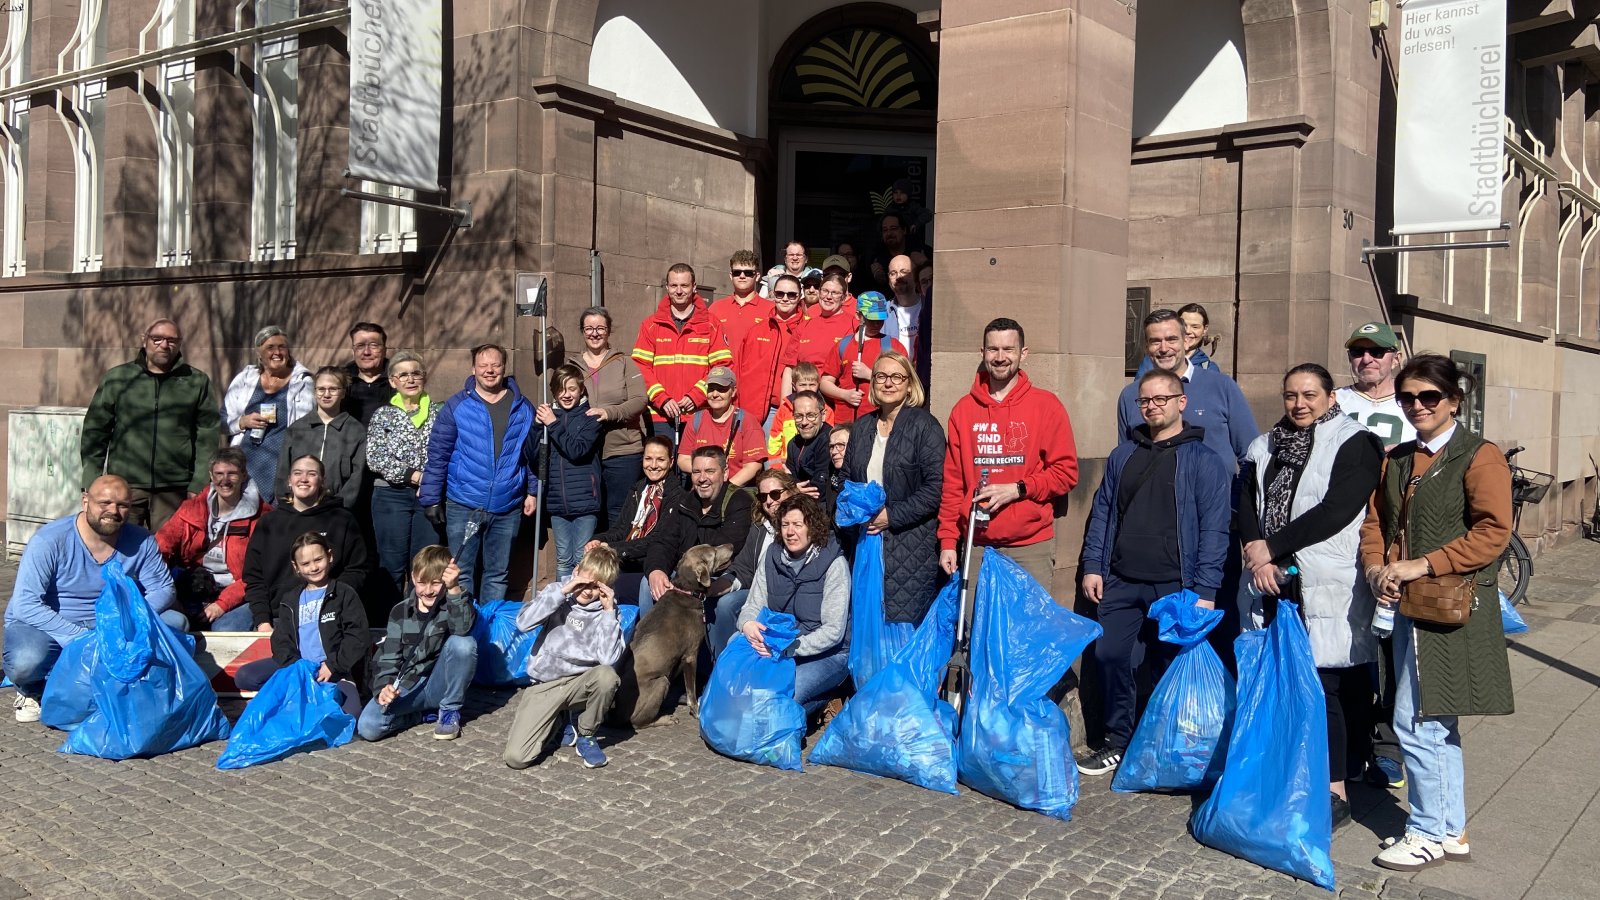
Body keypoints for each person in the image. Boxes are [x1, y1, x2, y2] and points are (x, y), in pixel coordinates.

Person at [1360, 354, 1513, 872]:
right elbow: (1375, 522)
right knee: (1433, 719)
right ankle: (1449, 829)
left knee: (1417, 721)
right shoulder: (1399, 457)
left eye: (1430, 397)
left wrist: (1423, 563)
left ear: (1454, 401)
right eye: (1408, 397)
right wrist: (1378, 567)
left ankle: (1425, 830)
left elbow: (1494, 532)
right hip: (1406, 604)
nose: (1418, 406)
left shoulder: (1478, 455)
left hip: (1448, 605)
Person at [1238, 363, 1384, 829]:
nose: (1299, 404)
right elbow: (1246, 506)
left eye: (1309, 395)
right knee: (1292, 677)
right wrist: (1260, 558)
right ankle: (1302, 768)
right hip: (1274, 579)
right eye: (1290, 395)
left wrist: (1274, 547)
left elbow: (1338, 509)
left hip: (1330, 576)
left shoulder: (1354, 442)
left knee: (1335, 681)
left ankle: (1337, 785)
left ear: (1330, 398)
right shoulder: (1263, 446)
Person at [1076, 369, 1231, 776]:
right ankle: (1117, 739)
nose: (1152, 407)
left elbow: (1215, 529)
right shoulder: (1123, 455)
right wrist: (1094, 566)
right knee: (1110, 656)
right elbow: (1103, 514)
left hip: (1175, 583)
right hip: (1123, 578)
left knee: (1167, 667)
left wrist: (1206, 588)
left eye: (1162, 399)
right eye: (1145, 400)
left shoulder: (1204, 460)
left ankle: (1161, 745)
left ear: (1181, 402)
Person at [4, 476, 186, 724]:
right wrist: (80, 637)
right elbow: (26, 603)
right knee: (26, 661)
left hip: (116, 621)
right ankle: (33, 688)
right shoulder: (49, 540)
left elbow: (164, 588)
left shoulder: (141, 540)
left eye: (122, 505)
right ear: (85, 500)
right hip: (53, 624)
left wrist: (128, 620)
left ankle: (136, 686)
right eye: (105, 502)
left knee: (176, 623)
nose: (113, 511)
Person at [938, 318, 1079, 591]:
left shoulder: (1046, 406)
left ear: (1023, 353)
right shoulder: (963, 411)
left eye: (1008, 349)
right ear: (983, 353)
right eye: (993, 350)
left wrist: (1018, 489)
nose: (1000, 357)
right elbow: (953, 483)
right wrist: (947, 541)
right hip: (976, 545)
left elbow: (1066, 473)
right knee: (974, 629)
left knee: (1028, 633)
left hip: (1030, 548)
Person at [419, 343, 540, 603]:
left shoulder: (522, 407)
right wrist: (430, 497)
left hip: (507, 505)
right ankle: (463, 633)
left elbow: (530, 455)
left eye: (495, 365)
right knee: (460, 574)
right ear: (473, 369)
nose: (489, 371)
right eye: (483, 365)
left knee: (497, 574)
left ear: (504, 368)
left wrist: (532, 490)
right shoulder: (456, 406)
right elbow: (438, 453)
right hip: (464, 502)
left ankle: (488, 635)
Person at [80, 318, 221, 530]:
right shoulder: (118, 378)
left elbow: (207, 435)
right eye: (157, 339)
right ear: (144, 340)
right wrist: (92, 479)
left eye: (172, 340)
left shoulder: (196, 381)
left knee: (168, 552)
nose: (164, 345)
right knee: (119, 546)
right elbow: (95, 431)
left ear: (180, 343)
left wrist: (199, 481)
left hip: (174, 486)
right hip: (125, 485)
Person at [842, 350, 945, 628]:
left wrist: (892, 515)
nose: (888, 383)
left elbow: (935, 489)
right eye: (881, 377)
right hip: (866, 543)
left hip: (909, 546)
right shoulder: (862, 427)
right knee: (867, 626)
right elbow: (845, 479)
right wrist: (855, 508)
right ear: (872, 383)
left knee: (901, 630)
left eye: (897, 377)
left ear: (909, 384)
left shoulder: (925, 427)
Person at [502, 545, 626, 770]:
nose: (587, 592)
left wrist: (609, 614)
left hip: (580, 684)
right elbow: (523, 623)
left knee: (608, 677)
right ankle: (560, 720)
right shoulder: (557, 592)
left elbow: (608, 659)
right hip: (545, 685)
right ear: (576, 571)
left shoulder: (608, 612)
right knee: (516, 758)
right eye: (584, 583)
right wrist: (562, 592)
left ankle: (586, 733)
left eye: (595, 588)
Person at [736, 494, 851, 718]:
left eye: (798, 525)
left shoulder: (834, 564)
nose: (790, 532)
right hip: (778, 645)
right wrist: (748, 625)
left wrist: (786, 649)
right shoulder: (772, 556)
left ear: (812, 527)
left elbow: (833, 632)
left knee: (784, 698)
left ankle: (824, 700)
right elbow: (752, 605)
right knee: (742, 681)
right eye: (785, 524)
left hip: (827, 654)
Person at [234, 532, 368, 716]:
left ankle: (301, 699)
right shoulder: (290, 599)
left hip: (333, 669)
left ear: (329, 556)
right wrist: (297, 669)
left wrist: (332, 665)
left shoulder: (344, 593)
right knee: (245, 676)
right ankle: (286, 696)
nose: (313, 567)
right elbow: (281, 640)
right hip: (298, 667)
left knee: (350, 716)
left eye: (318, 559)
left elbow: (357, 636)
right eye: (305, 564)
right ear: (296, 567)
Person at [358, 545, 479, 742]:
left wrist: (454, 589)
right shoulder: (400, 611)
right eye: (422, 583)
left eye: (436, 583)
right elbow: (389, 657)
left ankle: (449, 710)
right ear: (413, 579)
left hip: (441, 681)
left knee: (464, 644)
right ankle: (420, 716)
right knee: (368, 726)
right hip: (409, 684)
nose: (428, 591)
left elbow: (462, 629)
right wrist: (384, 688)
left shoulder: (456, 600)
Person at [242, 455, 370, 631]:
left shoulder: (341, 519)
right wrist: (263, 621)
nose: (303, 479)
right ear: (289, 480)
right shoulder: (269, 523)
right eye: (297, 473)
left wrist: (331, 601)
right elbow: (254, 577)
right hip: (278, 617)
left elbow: (357, 569)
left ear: (322, 481)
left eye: (311, 474)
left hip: (328, 617)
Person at [1117, 309, 1257, 468]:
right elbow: (1125, 460)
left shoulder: (1222, 386)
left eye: (1171, 339)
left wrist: (1238, 492)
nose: (1164, 348)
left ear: (1185, 341)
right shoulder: (1130, 396)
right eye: (1155, 341)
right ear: (1146, 346)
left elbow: (1251, 454)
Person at [156, 447, 270, 632]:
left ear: (243, 475)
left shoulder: (263, 517)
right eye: (219, 474)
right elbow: (160, 548)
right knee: (172, 623)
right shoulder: (191, 509)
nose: (224, 480)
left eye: (232, 474)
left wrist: (222, 604)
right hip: (193, 586)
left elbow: (259, 573)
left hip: (238, 591)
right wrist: (167, 592)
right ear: (210, 475)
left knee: (224, 629)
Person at [638, 447, 754, 616]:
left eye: (710, 471)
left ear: (725, 473)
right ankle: (653, 637)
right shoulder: (685, 501)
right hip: (687, 574)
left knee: (722, 604)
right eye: (696, 472)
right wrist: (656, 569)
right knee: (647, 583)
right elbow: (664, 540)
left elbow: (729, 547)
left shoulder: (739, 501)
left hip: (720, 576)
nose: (702, 478)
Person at [366, 350, 442, 596]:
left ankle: (420, 623)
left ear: (424, 377)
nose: (410, 379)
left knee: (425, 564)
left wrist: (430, 481)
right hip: (391, 496)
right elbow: (376, 457)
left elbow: (448, 452)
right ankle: (391, 624)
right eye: (403, 375)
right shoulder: (382, 415)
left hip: (428, 497)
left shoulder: (440, 413)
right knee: (391, 564)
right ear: (393, 381)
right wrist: (414, 475)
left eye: (415, 373)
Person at [632, 263, 733, 438]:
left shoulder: (711, 324)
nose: (679, 291)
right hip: (660, 415)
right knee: (662, 466)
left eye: (684, 285)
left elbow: (722, 367)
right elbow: (640, 369)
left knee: (698, 466)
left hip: (700, 413)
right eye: (674, 285)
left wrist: (696, 396)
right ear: (667, 287)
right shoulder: (650, 325)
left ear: (694, 287)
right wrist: (662, 398)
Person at [567, 306, 647, 525]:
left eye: (600, 328)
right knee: (589, 515)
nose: (595, 333)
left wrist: (609, 413)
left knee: (618, 514)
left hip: (622, 450)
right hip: (584, 452)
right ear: (582, 331)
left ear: (609, 330)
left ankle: (614, 559)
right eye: (589, 328)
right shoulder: (571, 366)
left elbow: (640, 400)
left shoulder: (625, 363)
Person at [584, 435, 685, 606]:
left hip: (648, 564)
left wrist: (614, 548)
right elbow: (621, 529)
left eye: (660, 459)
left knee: (603, 587)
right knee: (585, 577)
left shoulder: (678, 496)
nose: (653, 465)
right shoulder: (638, 489)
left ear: (671, 461)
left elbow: (657, 539)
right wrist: (599, 540)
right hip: (626, 560)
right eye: (648, 459)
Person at [710, 470, 800, 653]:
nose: (769, 501)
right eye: (763, 496)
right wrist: (720, 585)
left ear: (791, 492)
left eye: (775, 494)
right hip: (756, 589)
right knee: (710, 597)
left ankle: (724, 661)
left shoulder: (800, 527)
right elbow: (743, 567)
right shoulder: (759, 526)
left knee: (727, 604)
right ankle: (716, 665)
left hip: (783, 596)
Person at [223, 326, 315, 496]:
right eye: (270, 347)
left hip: (280, 464)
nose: (277, 352)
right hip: (244, 462)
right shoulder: (245, 379)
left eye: (282, 347)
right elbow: (222, 421)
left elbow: (309, 428)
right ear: (259, 353)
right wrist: (242, 422)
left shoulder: (303, 382)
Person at [539, 363, 603, 580]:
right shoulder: (549, 416)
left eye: (572, 389)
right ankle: (562, 603)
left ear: (581, 389)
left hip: (584, 500)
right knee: (563, 559)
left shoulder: (590, 417)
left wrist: (553, 424)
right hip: (557, 500)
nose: (566, 395)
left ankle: (580, 603)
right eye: (561, 390)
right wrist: (537, 427)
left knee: (580, 557)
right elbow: (532, 455)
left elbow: (577, 451)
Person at [274, 366, 367, 509]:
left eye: (333, 389)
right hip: (298, 507)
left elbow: (357, 478)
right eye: (321, 389)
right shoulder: (297, 429)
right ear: (315, 392)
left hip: (336, 510)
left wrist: (339, 506)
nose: (326, 394)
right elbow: (283, 470)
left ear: (343, 393)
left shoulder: (355, 431)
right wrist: (287, 502)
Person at [821, 292, 908, 423]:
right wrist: (845, 395)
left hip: (881, 419)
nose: (876, 324)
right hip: (846, 421)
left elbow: (907, 383)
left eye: (880, 319)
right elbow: (825, 382)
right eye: (871, 319)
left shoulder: (893, 346)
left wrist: (870, 374)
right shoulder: (843, 345)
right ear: (858, 315)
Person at [737, 273, 806, 430]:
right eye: (780, 293)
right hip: (752, 409)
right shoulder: (757, 330)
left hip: (788, 409)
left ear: (799, 297)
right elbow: (740, 369)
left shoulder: (807, 329)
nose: (785, 298)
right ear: (773, 295)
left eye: (791, 294)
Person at [676, 366, 766, 486]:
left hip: (735, 490)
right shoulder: (695, 420)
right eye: (711, 389)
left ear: (733, 391)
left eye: (721, 389)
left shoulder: (747, 421)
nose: (714, 394)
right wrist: (706, 475)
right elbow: (683, 460)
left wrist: (726, 489)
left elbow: (753, 466)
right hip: (702, 487)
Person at [1335, 321, 1415, 452]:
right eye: (1358, 352)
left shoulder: (1416, 402)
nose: (1366, 359)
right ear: (1349, 358)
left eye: (1377, 352)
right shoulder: (1332, 400)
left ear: (1396, 359)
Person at [787, 273, 860, 379]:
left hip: (836, 391)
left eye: (835, 293)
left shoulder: (853, 325)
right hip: (804, 390)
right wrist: (786, 396)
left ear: (843, 298)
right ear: (819, 292)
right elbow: (789, 366)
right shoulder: (805, 325)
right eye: (825, 291)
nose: (828, 297)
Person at [708, 250, 774, 363]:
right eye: (737, 272)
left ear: (757, 276)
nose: (742, 276)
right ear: (731, 275)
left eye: (748, 273)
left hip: (756, 377)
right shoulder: (715, 309)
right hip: (723, 377)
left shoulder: (771, 309)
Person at [767, 361, 833, 467]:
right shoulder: (784, 409)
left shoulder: (825, 411)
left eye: (812, 385)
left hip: (813, 465)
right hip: (786, 465)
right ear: (794, 386)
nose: (807, 388)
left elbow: (828, 439)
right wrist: (776, 467)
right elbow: (775, 439)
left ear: (818, 385)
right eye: (802, 385)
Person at [882, 254, 932, 390]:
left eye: (904, 272)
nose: (898, 277)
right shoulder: (882, 313)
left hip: (926, 383)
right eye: (893, 273)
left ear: (915, 278)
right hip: (894, 385)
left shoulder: (930, 308)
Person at [783, 391, 836, 510]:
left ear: (823, 415)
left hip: (824, 507)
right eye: (798, 416)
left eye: (811, 415)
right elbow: (788, 480)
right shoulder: (793, 443)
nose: (804, 422)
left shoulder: (829, 440)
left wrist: (793, 489)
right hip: (801, 504)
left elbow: (819, 489)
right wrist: (793, 487)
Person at [342, 322, 396, 425]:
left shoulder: (398, 379)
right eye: (360, 346)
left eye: (374, 345)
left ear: (384, 350)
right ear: (353, 351)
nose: (366, 352)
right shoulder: (341, 380)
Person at [868, 213, 929, 294]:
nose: (889, 233)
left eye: (893, 228)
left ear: (904, 230)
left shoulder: (920, 250)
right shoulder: (876, 257)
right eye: (885, 230)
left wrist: (924, 264)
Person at [825, 423, 851, 505]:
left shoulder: (863, 482)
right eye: (832, 446)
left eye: (841, 445)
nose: (834, 452)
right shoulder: (829, 480)